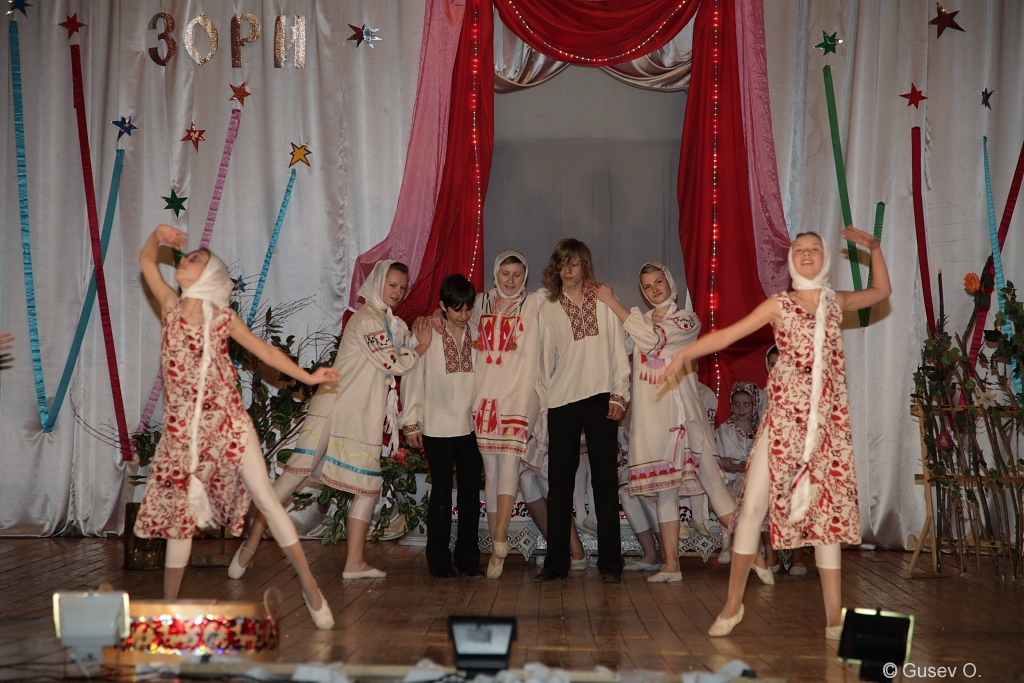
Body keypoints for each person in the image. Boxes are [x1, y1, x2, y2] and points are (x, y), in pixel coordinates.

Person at [660, 227, 890, 639]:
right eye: (800, 249)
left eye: (814, 249)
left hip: (825, 426)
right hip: (783, 420)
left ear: (825, 257)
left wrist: (873, 248)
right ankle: (733, 605)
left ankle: (834, 617)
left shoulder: (835, 303)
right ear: (791, 260)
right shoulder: (779, 305)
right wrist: (685, 353)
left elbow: (880, 292)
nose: (807, 254)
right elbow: (729, 334)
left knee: (825, 517)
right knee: (752, 506)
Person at [135, 225, 339, 628]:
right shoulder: (171, 307)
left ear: (211, 276)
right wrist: (157, 235)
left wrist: (308, 376)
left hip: (228, 423)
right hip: (184, 433)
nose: (185, 260)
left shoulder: (223, 319)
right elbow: (146, 261)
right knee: (180, 518)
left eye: (195, 259)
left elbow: (265, 351)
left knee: (266, 497)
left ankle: (309, 585)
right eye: (187, 256)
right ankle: (169, 607)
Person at [230, 259, 431, 580]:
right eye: (392, 285)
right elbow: (394, 362)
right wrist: (422, 346)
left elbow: (402, 342)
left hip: (358, 413)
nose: (397, 292)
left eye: (402, 288)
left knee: (367, 485)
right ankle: (249, 545)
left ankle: (355, 562)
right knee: (295, 475)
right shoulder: (368, 320)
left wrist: (422, 331)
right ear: (378, 282)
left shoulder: (388, 323)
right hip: (335, 408)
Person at [597, 263, 769, 584]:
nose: (654, 290)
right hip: (653, 422)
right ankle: (671, 565)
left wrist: (613, 302)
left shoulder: (686, 320)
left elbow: (655, 343)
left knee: (716, 489)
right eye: (648, 286)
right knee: (665, 493)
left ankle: (756, 556)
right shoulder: (639, 320)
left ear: (669, 283)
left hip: (685, 421)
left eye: (658, 282)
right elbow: (618, 349)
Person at [534, 239, 630, 583]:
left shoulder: (603, 300)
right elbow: (544, 362)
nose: (568, 271)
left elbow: (618, 351)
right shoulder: (548, 307)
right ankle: (556, 564)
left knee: (605, 481)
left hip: (602, 398)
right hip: (562, 401)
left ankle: (611, 564)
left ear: (584, 265)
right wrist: (544, 405)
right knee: (559, 484)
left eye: (574, 264)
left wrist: (620, 394)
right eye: (562, 264)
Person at [401, 275, 484, 578]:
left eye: (468, 308)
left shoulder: (477, 333)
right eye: (457, 309)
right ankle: (438, 560)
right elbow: (411, 375)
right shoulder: (428, 333)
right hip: (436, 425)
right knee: (441, 493)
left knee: (470, 494)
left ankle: (468, 558)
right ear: (443, 307)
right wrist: (410, 422)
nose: (463, 315)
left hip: (470, 426)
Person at [470, 252, 542, 579]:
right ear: (496, 273)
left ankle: (500, 534)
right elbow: (456, 322)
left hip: (519, 393)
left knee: (510, 462)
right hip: (485, 393)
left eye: (517, 274)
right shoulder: (480, 302)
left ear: (525, 276)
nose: (510, 280)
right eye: (505, 273)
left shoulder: (535, 303)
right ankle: (496, 546)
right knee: (491, 470)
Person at [714, 382, 765, 567]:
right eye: (736, 404)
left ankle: (750, 546)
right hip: (729, 477)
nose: (741, 409)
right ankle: (727, 545)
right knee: (727, 499)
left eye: (746, 404)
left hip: (751, 478)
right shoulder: (724, 430)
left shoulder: (760, 429)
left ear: (755, 405)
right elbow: (715, 456)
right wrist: (723, 461)